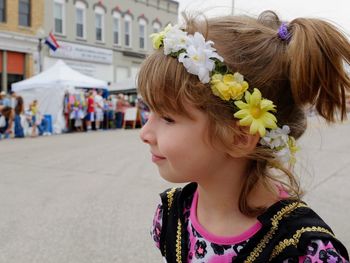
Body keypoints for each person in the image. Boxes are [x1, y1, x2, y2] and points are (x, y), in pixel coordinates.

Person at [139, 11, 350, 263]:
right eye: (148, 111)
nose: (145, 133)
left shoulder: (302, 251)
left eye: (167, 118)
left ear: (238, 137)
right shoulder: (172, 216)